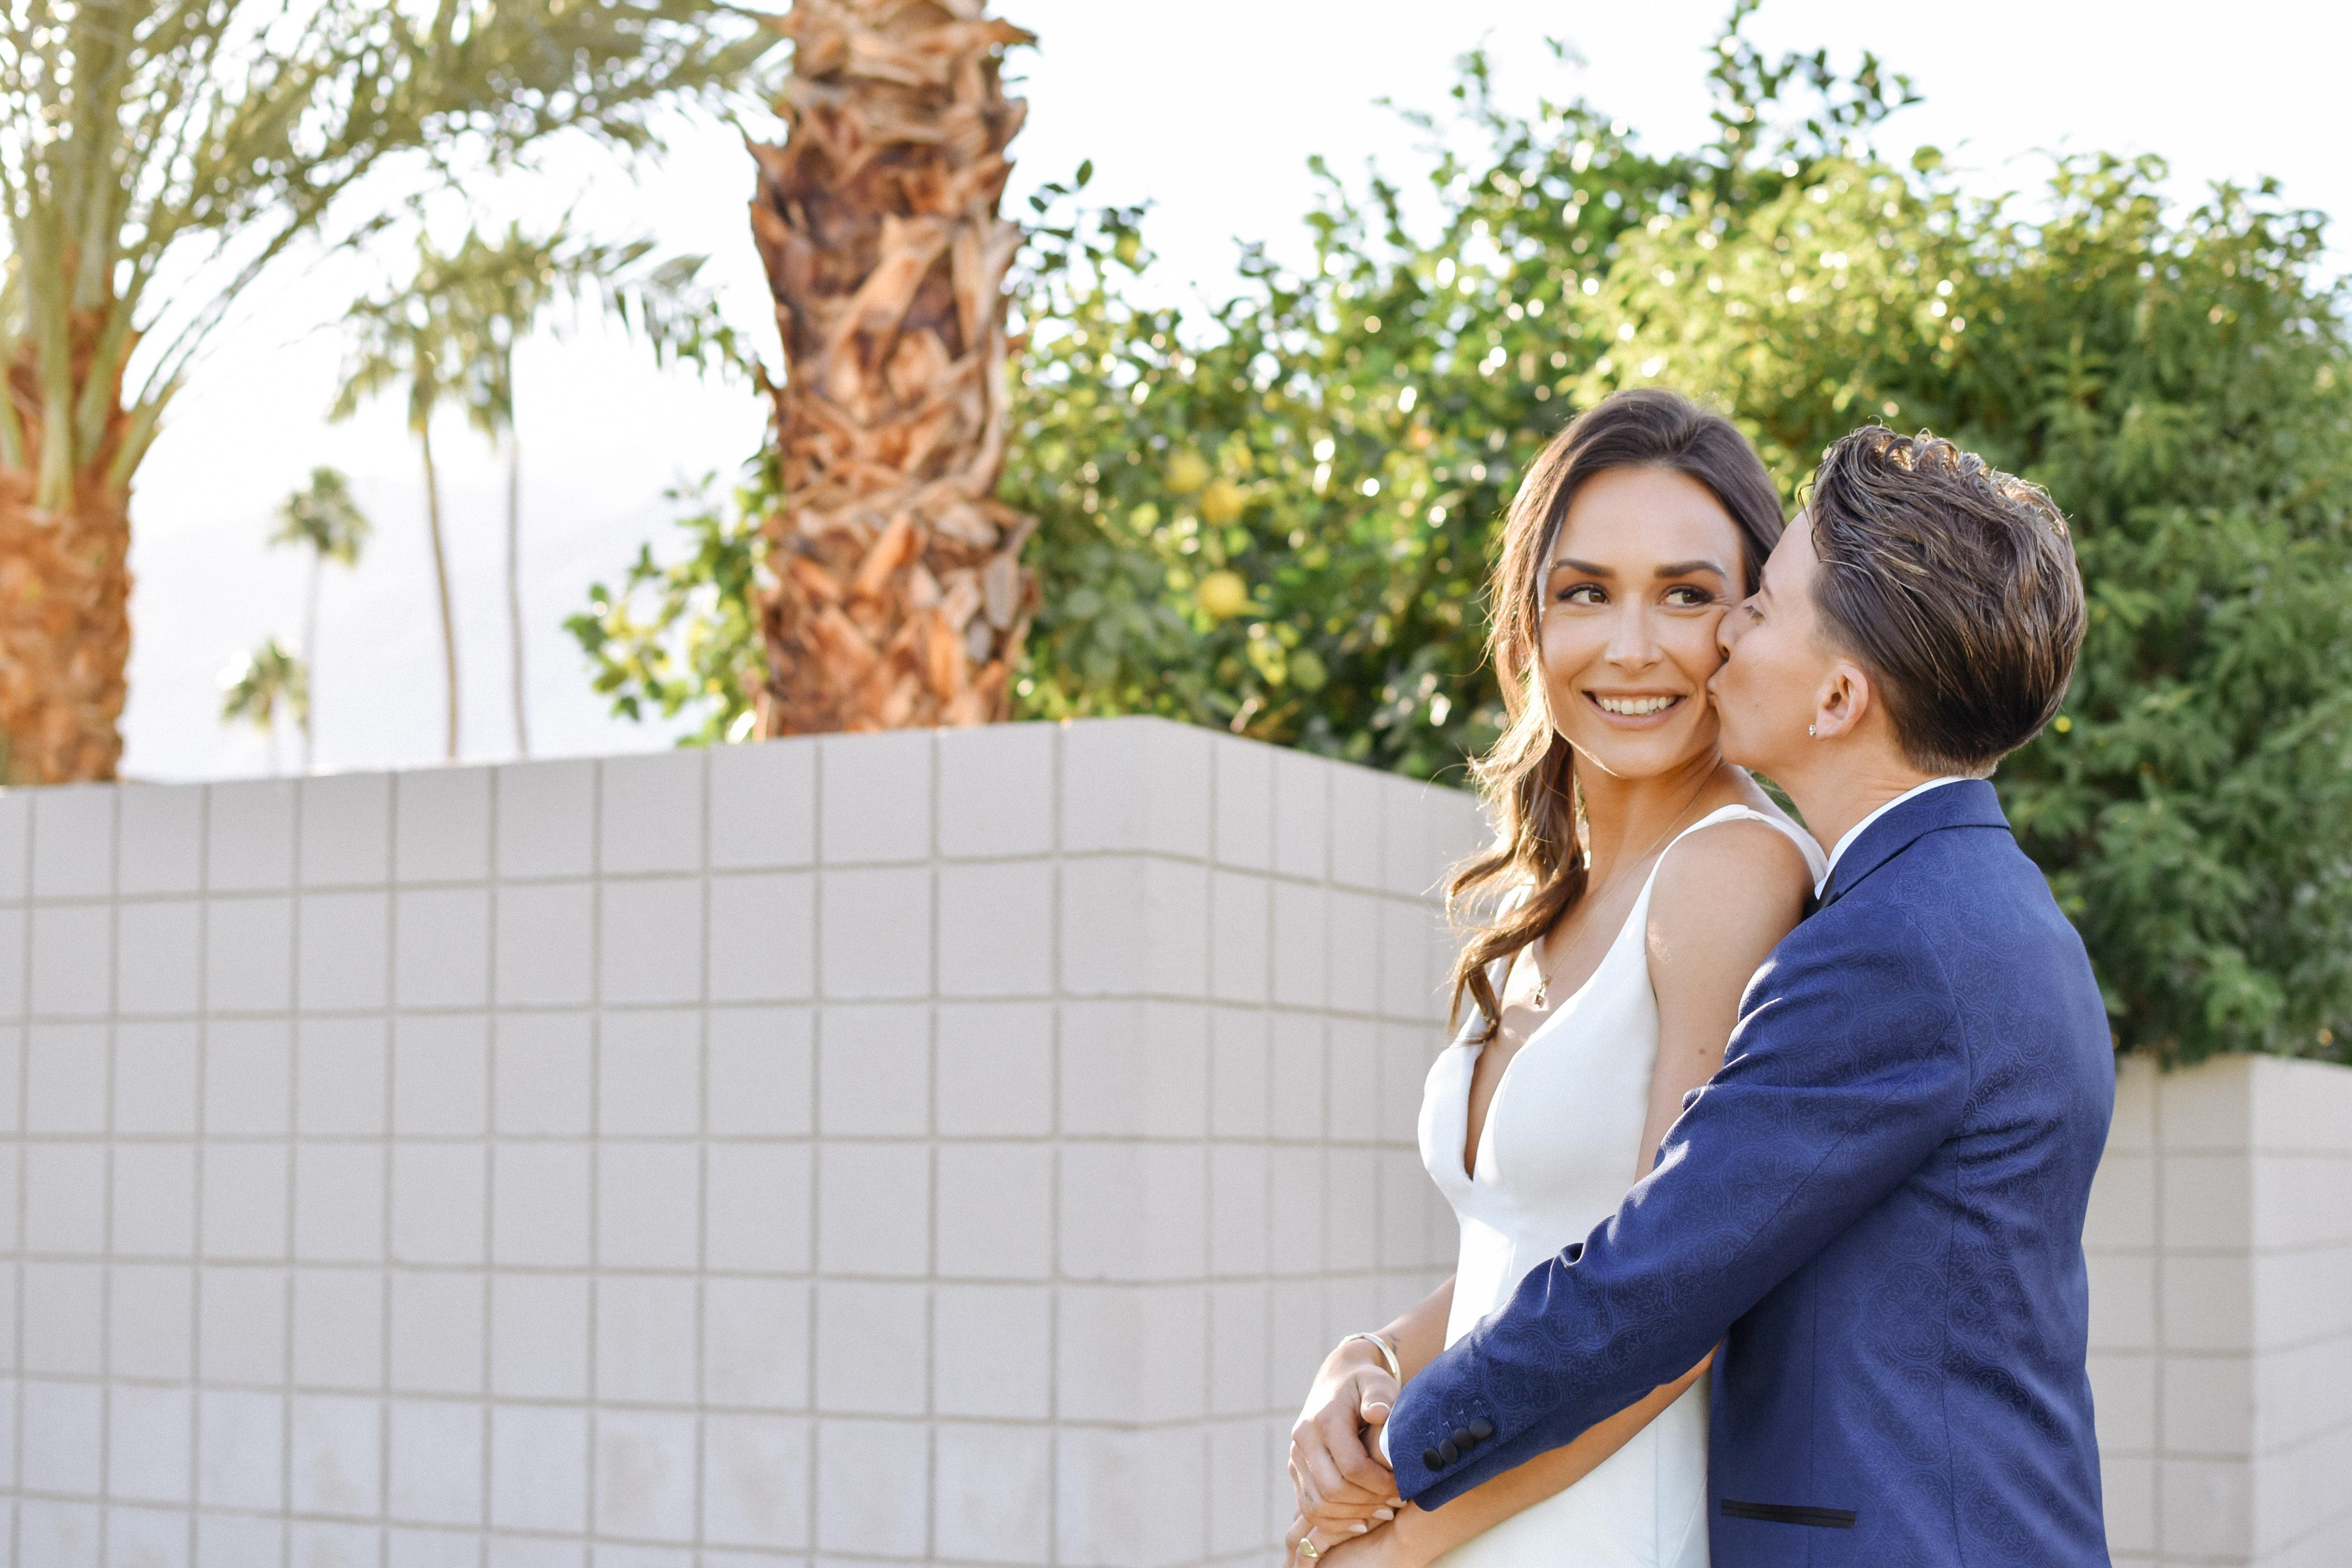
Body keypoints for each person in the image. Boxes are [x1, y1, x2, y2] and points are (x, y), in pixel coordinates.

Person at [1342, 425, 2114, 1567]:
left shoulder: (1898, 942)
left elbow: (1658, 1280)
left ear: (1838, 696)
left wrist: (1397, 1468)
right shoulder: (1952, 904)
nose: (1724, 639)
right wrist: (1376, 1362)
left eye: (1758, 606)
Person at [1284, 387, 1825, 1566]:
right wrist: (1369, 1358)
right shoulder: (1561, 895)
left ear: (1749, 620)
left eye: (1686, 594)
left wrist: (1400, 1543)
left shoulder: (1731, 872)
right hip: (1481, 1509)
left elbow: (1673, 1309)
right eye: (1586, 592)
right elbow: (1531, 1248)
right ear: (1529, 622)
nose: (1632, 647)